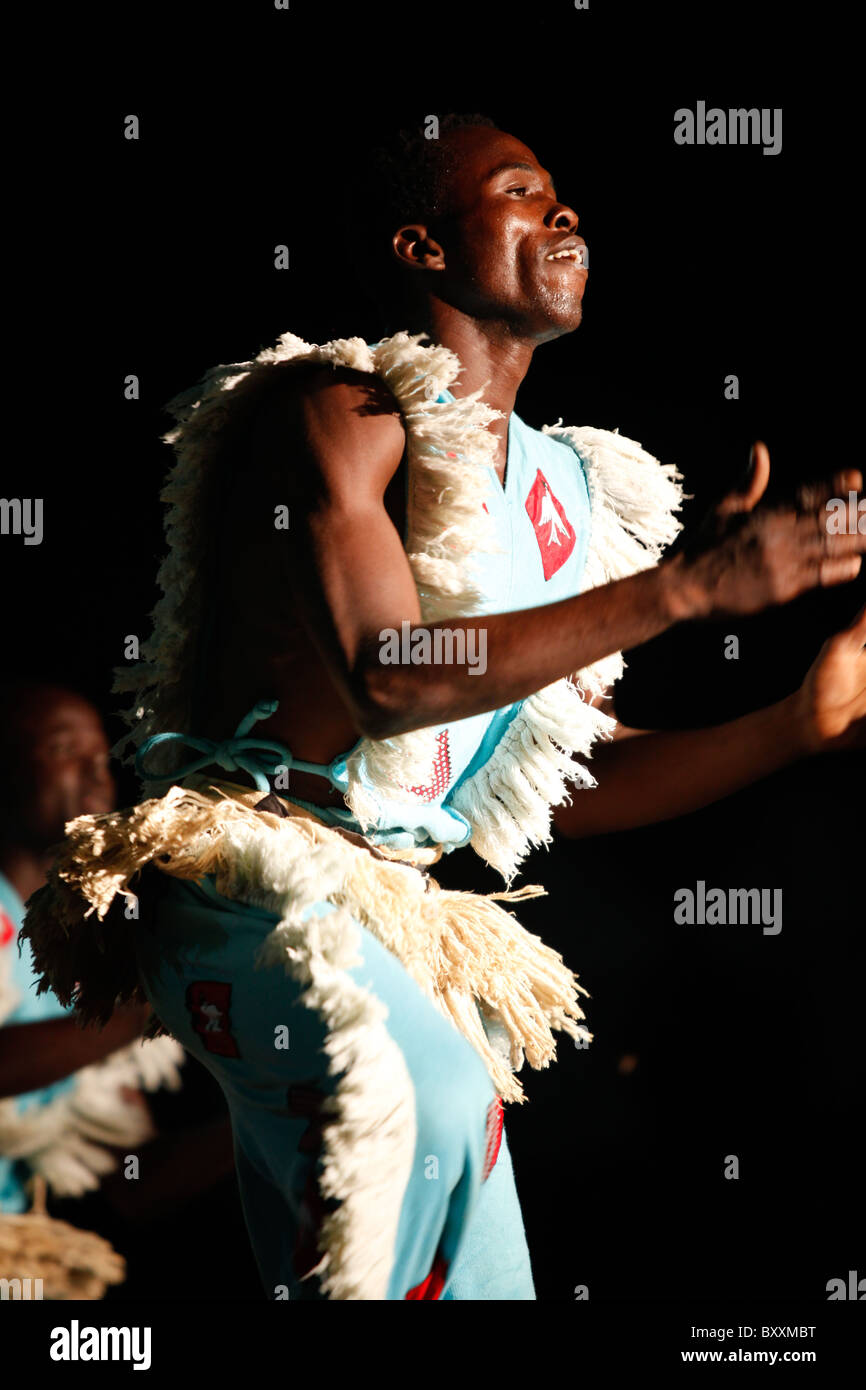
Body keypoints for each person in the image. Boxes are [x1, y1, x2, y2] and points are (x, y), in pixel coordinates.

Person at [22, 115, 865, 1301]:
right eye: (523, 194)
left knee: (443, 1247)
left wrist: (793, 724)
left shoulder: (573, 485)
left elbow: (566, 782)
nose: (564, 214)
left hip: (385, 905)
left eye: (566, 194)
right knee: (428, 1103)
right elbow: (389, 670)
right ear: (420, 246)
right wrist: (689, 588)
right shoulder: (335, 405)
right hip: (252, 879)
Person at [0, 683, 183, 1215]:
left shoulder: (85, 950)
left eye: (103, 756)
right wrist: (141, 1008)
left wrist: (274, 1126)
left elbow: (129, 1181)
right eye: (63, 749)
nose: (98, 772)